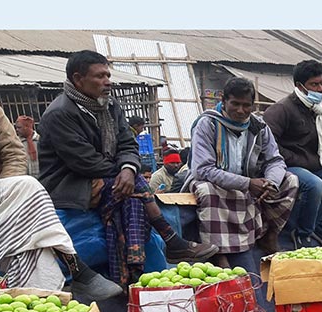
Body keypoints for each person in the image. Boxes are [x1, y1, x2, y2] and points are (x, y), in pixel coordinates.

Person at [0, 38, 121, 302]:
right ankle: (76, 266)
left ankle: (37, 299)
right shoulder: (61, 113)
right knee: (27, 186)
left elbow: (13, 151)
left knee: (26, 219)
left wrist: (5, 186)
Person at [38, 50, 217, 287]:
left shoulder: (110, 105)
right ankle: (170, 241)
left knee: (131, 199)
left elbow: (127, 143)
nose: (107, 82)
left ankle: (131, 277)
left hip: (107, 177)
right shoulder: (60, 113)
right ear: (78, 79)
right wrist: (125, 171)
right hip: (70, 184)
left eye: (108, 75)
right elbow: (85, 161)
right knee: (134, 190)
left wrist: (128, 169)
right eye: (100, 76)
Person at [185, 77, 298, 260]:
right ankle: (217, 252)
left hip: (249, 180)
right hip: (214, 181)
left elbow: (275, 160)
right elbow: (203, 170)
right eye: (235, 104)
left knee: (290, 181)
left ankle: (269, 235)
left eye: (246, 105)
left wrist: (271, 182)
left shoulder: (259, 126)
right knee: (207, 191)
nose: (240, 110)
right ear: (223, 101)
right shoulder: (208, 124)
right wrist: (247, 183)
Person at [264, 60, 322, 248]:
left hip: (315, 166)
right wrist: (295, 158)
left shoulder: (317, 111)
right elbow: (268, 144)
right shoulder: (281, 109)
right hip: (288, 166)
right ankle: (303, 234)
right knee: (316, 185)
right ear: (300, 86)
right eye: (314, 85)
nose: (320, 89)